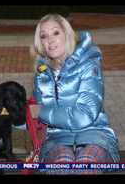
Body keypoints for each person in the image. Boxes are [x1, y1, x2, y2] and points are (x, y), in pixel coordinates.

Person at [30, 14, 120, 175]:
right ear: (40, 43)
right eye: (44, 36)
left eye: (55, 33)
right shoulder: (42, 76)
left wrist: (42, 112)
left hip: (95, 134)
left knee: (85, 165)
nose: (50, 40)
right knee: (62, 165)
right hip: (57, 139)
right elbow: (31, 116)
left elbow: (84, 115)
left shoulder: (89, 65)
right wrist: (23, 144)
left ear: (67, 34)